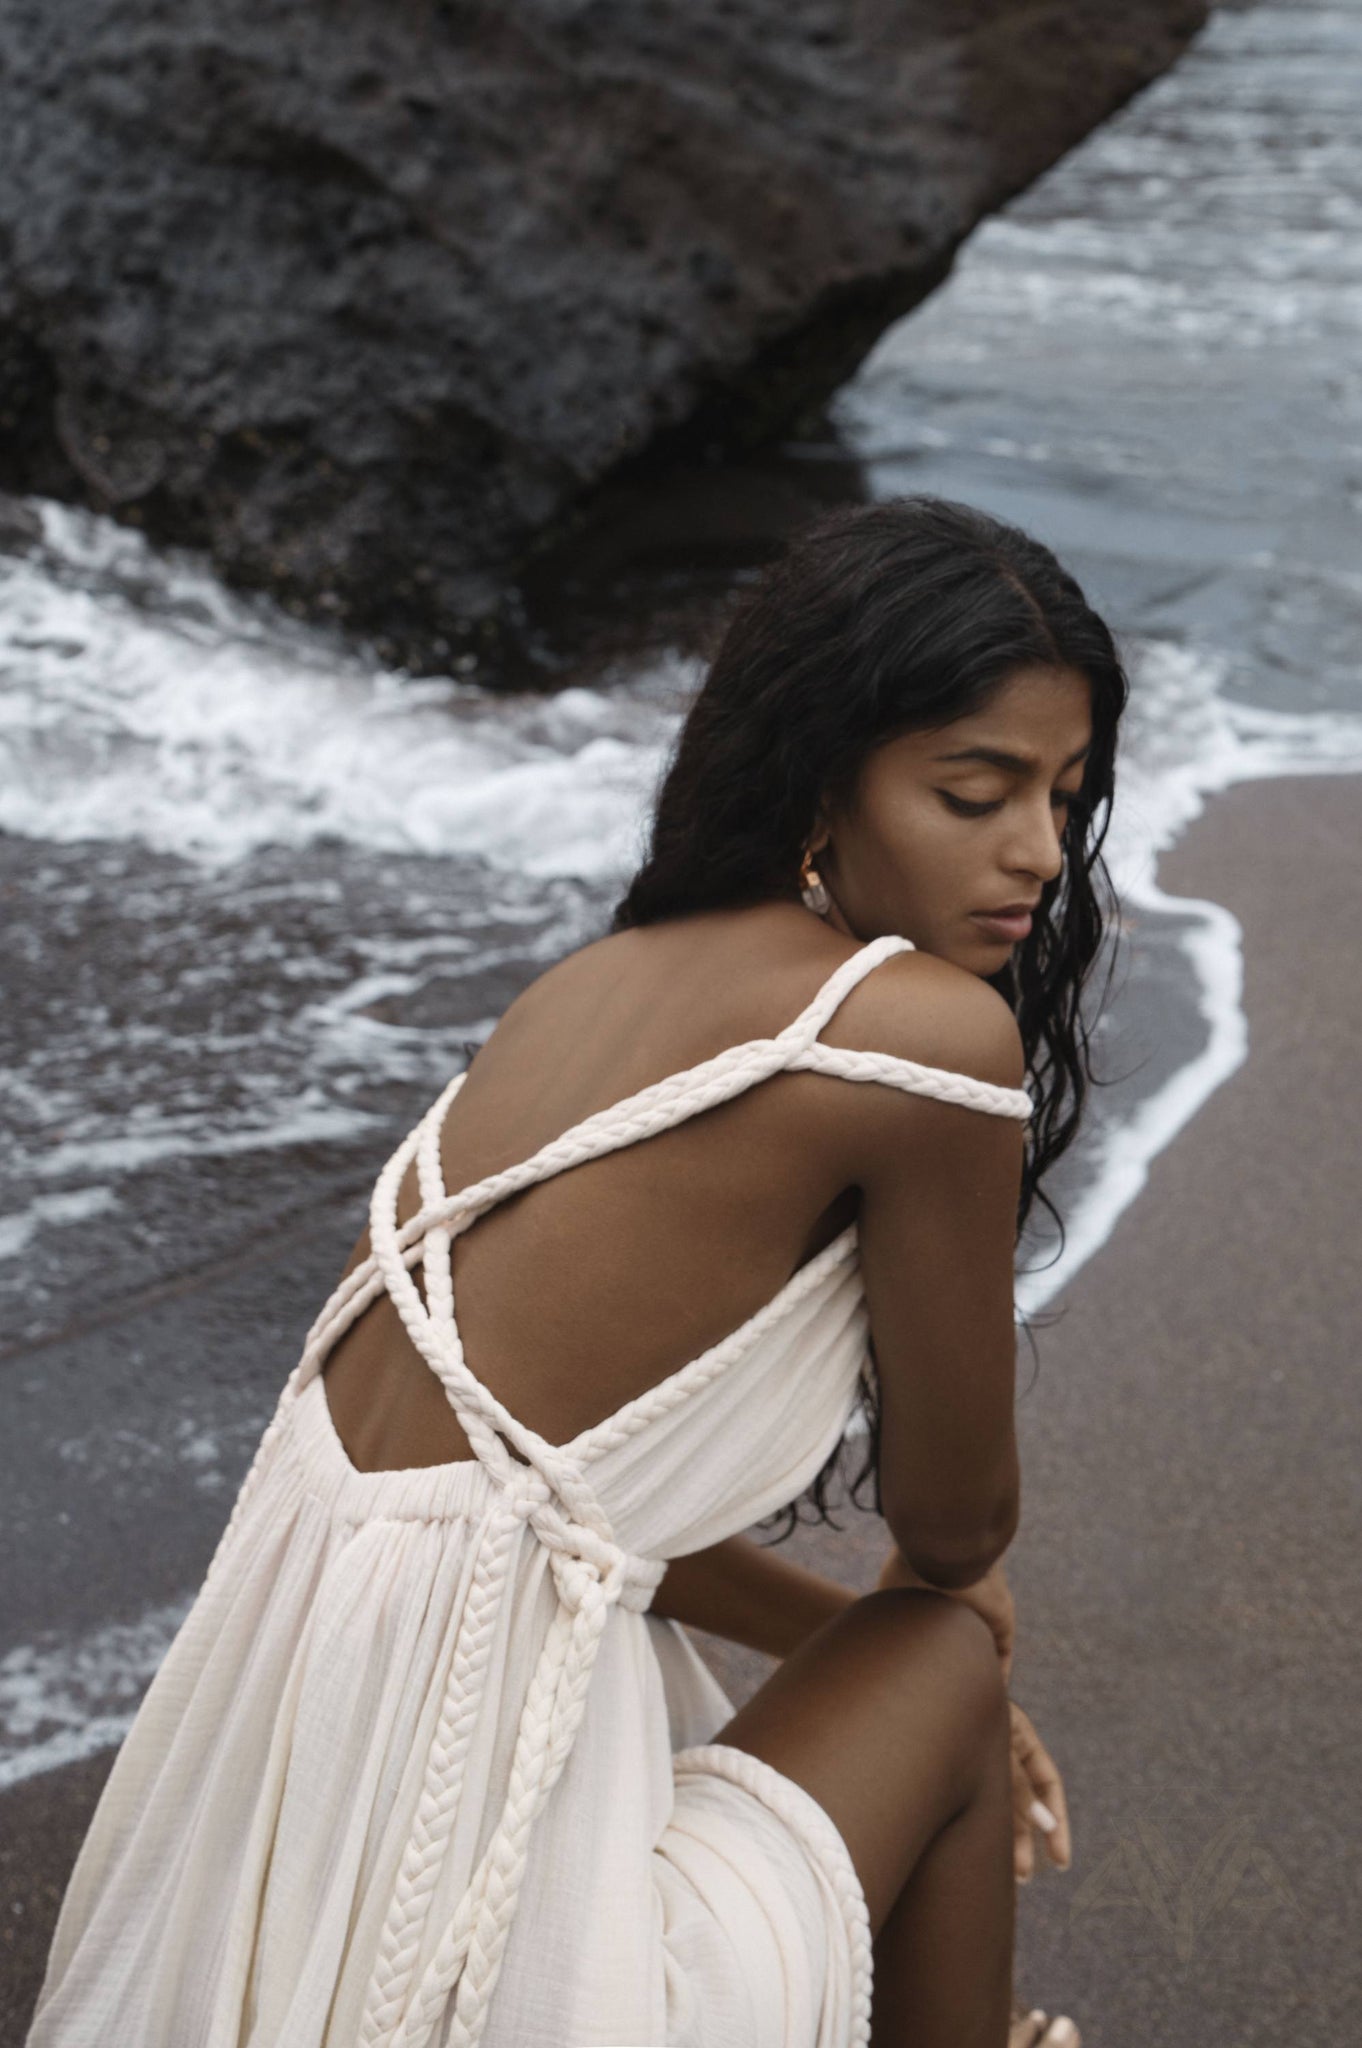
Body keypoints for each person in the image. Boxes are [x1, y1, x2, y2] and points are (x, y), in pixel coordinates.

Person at [26, 495, 1124, 2048]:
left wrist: (832, 1638)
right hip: (468, 1911)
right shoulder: (922, 1034)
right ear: (823, 778)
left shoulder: (583, 990)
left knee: (888, 1660)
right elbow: (953, 1534)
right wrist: (948, 1617)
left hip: (279, 1839)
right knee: (940, 1663)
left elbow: (542, 1515)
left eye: (1067, 795)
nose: (1038, 854)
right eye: (973, 791)